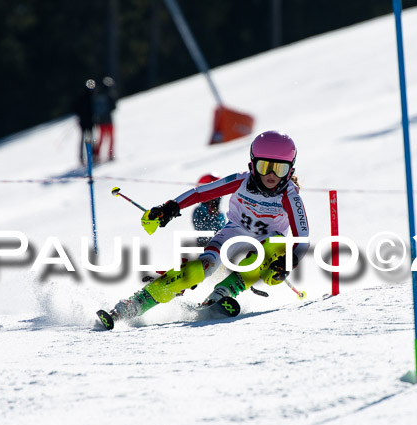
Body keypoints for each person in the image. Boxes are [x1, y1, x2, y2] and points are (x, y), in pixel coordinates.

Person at [101, 130, 310, 324]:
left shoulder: (290, 196)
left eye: (280, 169)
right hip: (233, 234)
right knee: (197, 270)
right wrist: (170, 208)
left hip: (267, 249)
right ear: (252, 164)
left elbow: (303, 239)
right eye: (264, 167)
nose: (271, 176)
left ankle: (222, 293)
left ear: (290, 169)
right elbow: (201, 193)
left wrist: (289, 262)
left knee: (275, 246)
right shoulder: (241, 181)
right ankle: (134, 305)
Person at [192, 173, 227, 247]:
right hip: (204, 247)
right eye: (214, 198)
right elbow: (202, 231)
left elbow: (222, 233)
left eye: (218, 197)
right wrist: (210, 212)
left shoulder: (220, 214)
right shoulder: (199, 211)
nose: (216, 201)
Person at [93, 76, 118, 162]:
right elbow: (114, 107)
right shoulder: (109, 95)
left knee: (101, 138)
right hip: (109, 120)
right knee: (111, 138)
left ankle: (96, 154)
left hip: (100, 121)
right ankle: (110, 155)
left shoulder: (99, 96)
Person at [73, 79, 96, 166]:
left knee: (85, 139)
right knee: (88, 139)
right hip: (87, 122)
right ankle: (89, 157)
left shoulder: (82, 96)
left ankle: (85, 157)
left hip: (84, 121)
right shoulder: (90, 97)